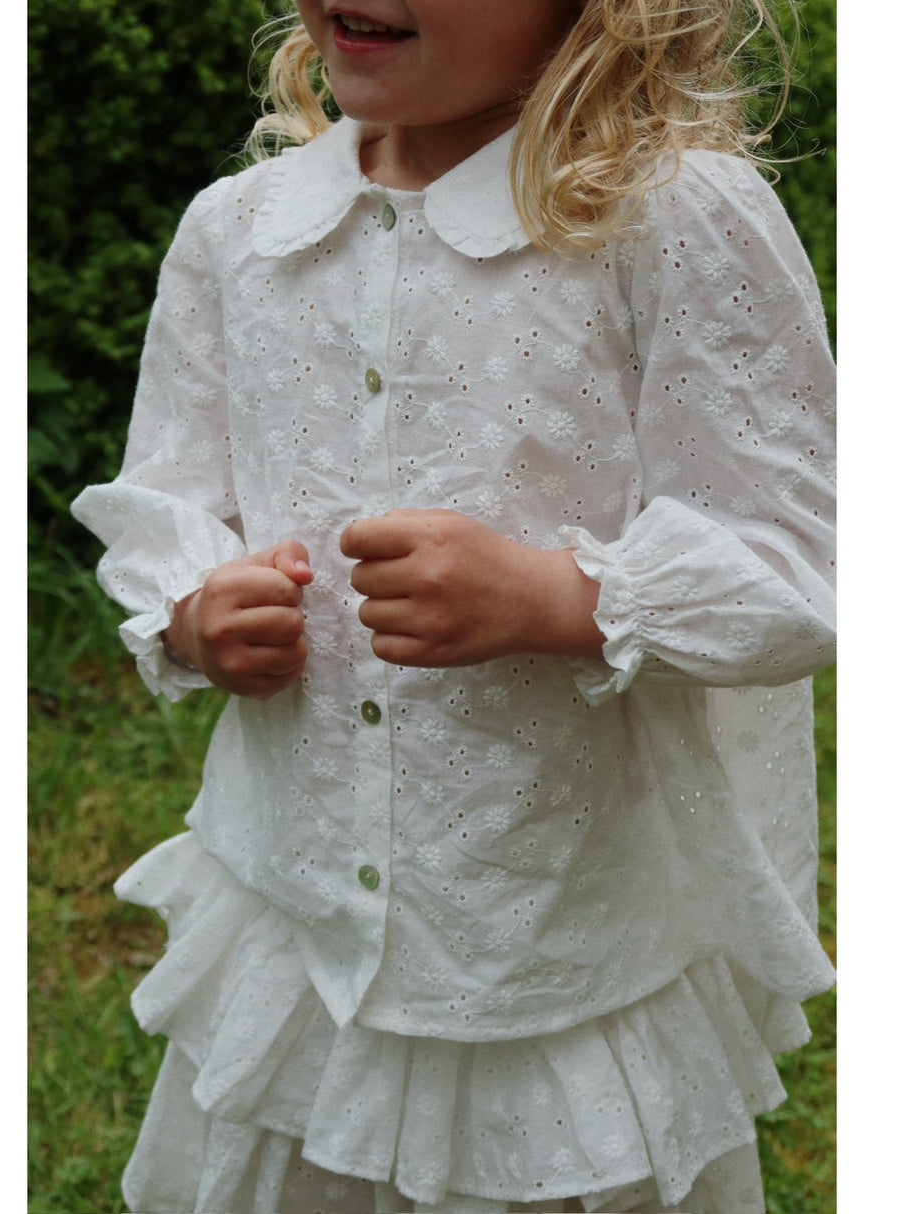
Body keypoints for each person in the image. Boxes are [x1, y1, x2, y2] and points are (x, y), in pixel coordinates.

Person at [72, 1, 836, 1210]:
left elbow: (796, 559)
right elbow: (172, 493)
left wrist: (557, 596)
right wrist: (194, 609)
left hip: (545, 925)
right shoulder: (239, 231)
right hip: (301, 915)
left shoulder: (662, 217)